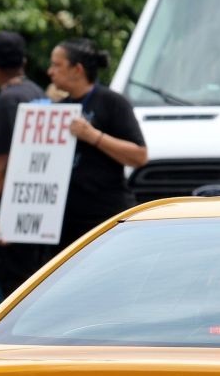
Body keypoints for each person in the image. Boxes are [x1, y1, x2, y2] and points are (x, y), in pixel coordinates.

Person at [0, 30, 49, 312]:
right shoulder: (38, 94)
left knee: (7, 289)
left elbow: (0, 161)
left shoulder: (6, 100)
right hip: (35, 208)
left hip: (8, 213)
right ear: (24, 61)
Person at [47, 37, 148, 250]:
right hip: (66, 223)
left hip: (105, 217)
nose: (50, 71)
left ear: (77, 69)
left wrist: (94, 137)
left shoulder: (112, 102)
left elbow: (139, 155)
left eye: (57, 65)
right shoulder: (58, 108)